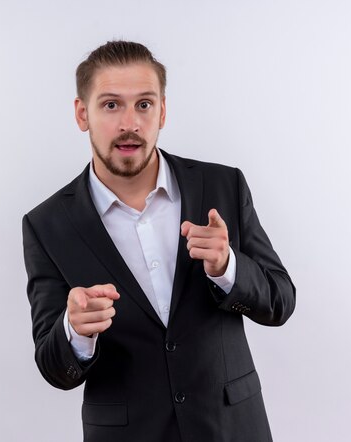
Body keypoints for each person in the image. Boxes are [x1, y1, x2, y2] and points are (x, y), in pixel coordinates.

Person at [22, 40, 296, 442]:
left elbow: (280, 301)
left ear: (163, 111)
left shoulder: (223, 186)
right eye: (111, 105)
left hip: (231, 429)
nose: (129, 123)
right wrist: (76, 331)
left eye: (144, 105)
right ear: (83, 114)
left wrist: (228, 268)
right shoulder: (46, 224)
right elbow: (53, 367)